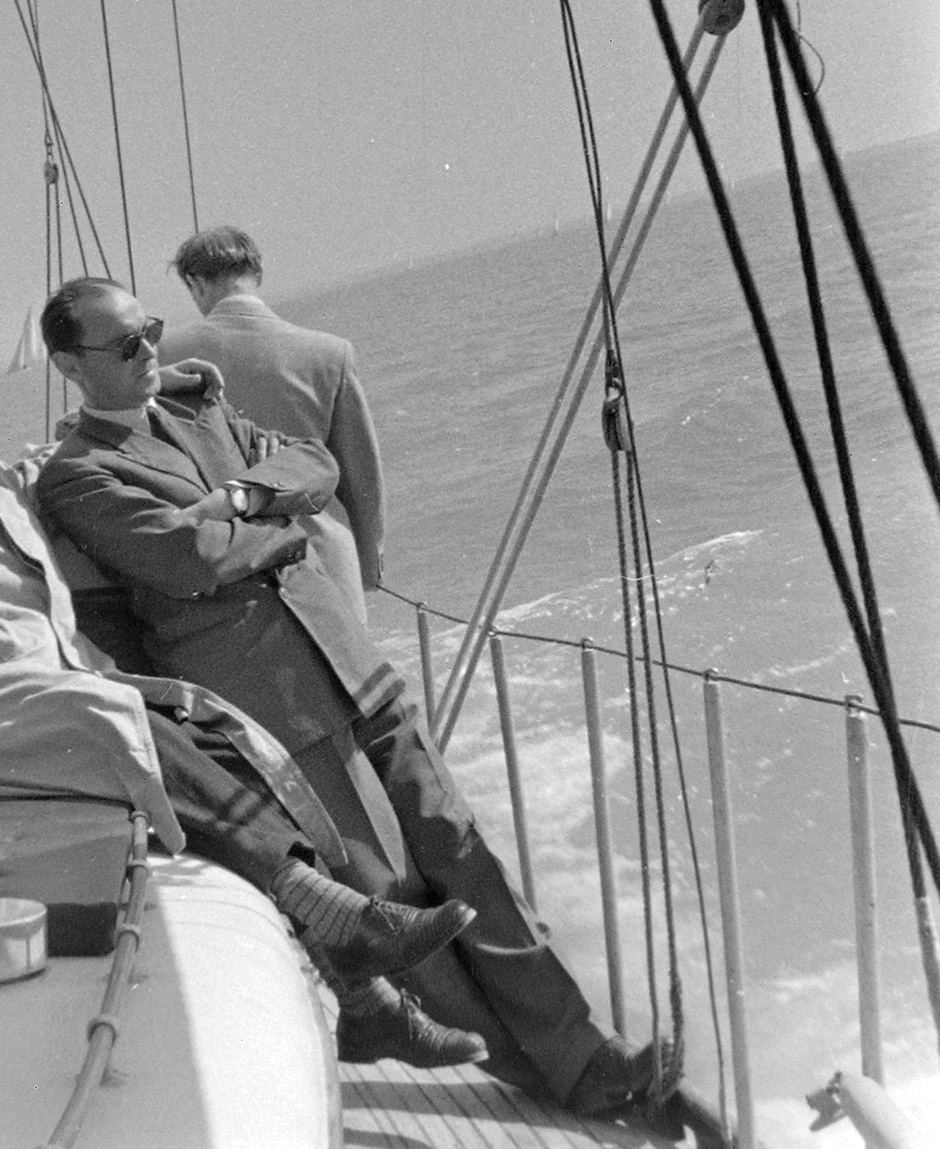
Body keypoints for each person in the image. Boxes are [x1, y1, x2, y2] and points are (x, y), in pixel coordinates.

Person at [0, 295, 487, 1070]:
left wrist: (162, 387)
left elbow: (72, 461)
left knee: (217, 726)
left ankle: (367, 1002)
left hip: (33, 693)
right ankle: (337, 918)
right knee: (123, 722)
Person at [36, 276, 674, 1119]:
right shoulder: (77, 477)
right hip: (272, 703)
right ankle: (560, 1076)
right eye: (123, 344)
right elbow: (189, 559)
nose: (150, 349)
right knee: (397, 895)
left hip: (347, 658)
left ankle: (582, 1046)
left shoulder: (199, 411)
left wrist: (243, 502)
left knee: (463, 848)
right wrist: (269, 523)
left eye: (148, 329)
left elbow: (314, 462)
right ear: (67, 366)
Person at [160, 226, 383, 625]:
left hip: (222, 569)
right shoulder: (330, 353)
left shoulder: (162, 357)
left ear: (194, 283)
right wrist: (367, 566)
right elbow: (360, 479)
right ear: (257, 273)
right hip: (323, 562)